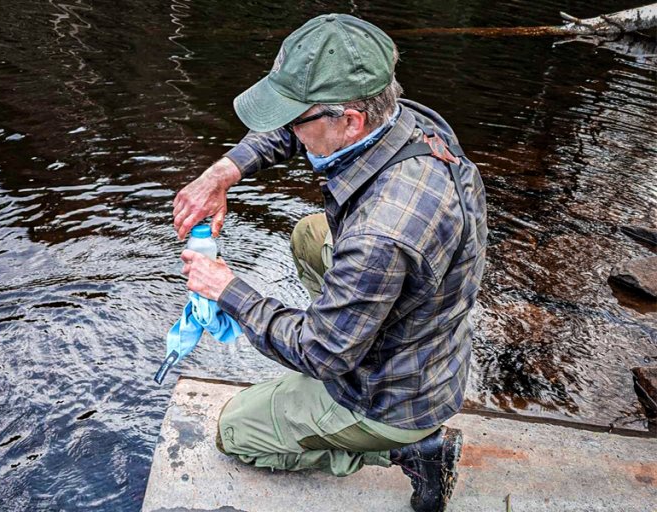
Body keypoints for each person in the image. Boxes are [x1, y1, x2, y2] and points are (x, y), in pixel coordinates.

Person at [173, 13, 487, 512]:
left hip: (395, 394)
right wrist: (222, 173)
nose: (291, 132)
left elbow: (321, 353)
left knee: (235, 433)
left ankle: (410, 450)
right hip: (430, 336)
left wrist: (227, 289)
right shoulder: (407, 121)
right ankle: (349, 325)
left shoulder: (378, 236)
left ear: (351, 121)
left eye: (297, 120)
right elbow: (290, 132)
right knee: (309, 235)